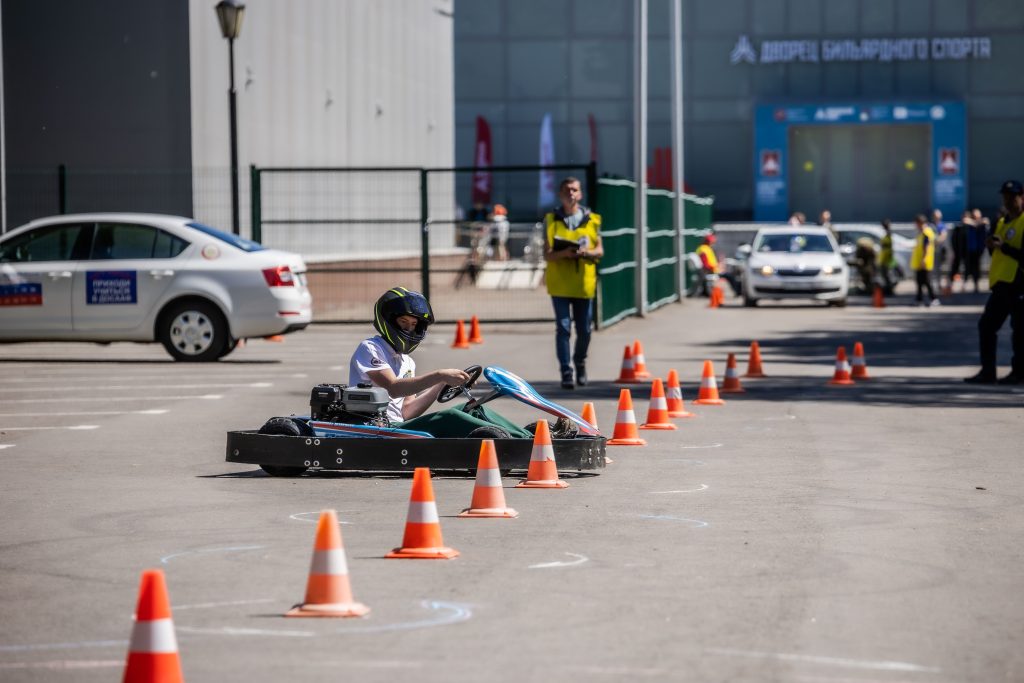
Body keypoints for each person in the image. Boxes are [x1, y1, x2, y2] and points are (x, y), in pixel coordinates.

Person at [544, 176, 603, 389]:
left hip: (583, 283)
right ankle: (566, 372)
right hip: (560, 283)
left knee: (585, 329)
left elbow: (600, 251)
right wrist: (565, 253)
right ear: (560, 194)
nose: (571, 193)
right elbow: (548, 255)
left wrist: (585, 252)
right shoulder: (551, 219)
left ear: (580, 194)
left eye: (575, 190)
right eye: (567, 190)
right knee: (563, 328)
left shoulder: (592, 219)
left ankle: (580, 361)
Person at [964, 181, 1024, 385]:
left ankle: (1019, 372)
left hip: (1019, 284)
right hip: (1002, 284)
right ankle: (988, 371)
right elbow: (996, 251)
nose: (1008, 201)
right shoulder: (1002, 221)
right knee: (987, 326)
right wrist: (991, 245)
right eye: (1005, 197)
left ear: (1021, 197)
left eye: (1012, 197)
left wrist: (1004, 247)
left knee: (1020, 331)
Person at [911, 213, 939, 306]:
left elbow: (926, 247)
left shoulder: (926, 233)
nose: (916, 225)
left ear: (920, 223)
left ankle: (934, 299)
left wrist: (923, 259)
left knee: (927, 281)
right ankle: (919, 299)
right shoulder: (922, 233)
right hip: (921, 262)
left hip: (924, 262)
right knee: (920, 281)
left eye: (917, 223)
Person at [964, 208, 989, 293]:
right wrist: (976, 223)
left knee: (977, 268)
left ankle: (976, 284)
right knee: (969, 267)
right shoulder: (970, 222)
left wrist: (977, 223)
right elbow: (966, 220)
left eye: (977, 216)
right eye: (974, 216)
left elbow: (986, 221)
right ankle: (966, 283)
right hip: (970, 250)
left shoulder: (982, 222)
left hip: (979, 249)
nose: (976, 218)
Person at [877, 218, 898, 295]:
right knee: (885, 275)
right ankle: (888, 289)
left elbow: (888, 247)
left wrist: (887, 259)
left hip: (886, 259)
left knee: (887, 275)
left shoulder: (889, 234)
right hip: (884, 258)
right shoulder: (887, 234)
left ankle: (890, 290)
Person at [931, 209, 949, 291]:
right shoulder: (930, 225)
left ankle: (938, 284)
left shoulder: (942, 225)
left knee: (938, 268)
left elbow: (943, 236)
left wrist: (935, 240)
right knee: (931, 268)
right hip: (931, 251)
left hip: (939, 250)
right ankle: (932, 284)